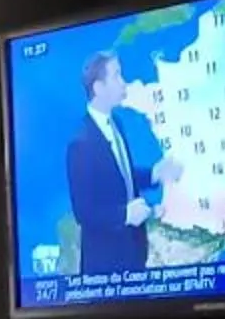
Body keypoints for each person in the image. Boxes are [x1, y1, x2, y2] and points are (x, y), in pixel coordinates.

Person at [64, 52, 174, 274]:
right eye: (116, 76)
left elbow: (119, 176)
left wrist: (153, 174)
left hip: (133, 255)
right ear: (99, 88)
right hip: (106, 268)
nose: (123, 82)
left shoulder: (116, 123)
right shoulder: (81, 143)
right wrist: (125, 215)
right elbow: (84, 212)